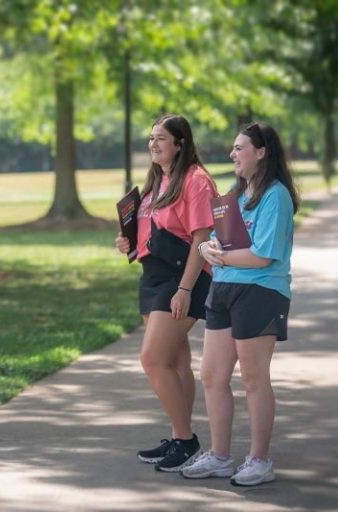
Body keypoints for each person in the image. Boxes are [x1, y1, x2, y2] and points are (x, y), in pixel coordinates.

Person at [182, 123, 299, 486]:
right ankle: (219, 456)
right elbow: (216, 243)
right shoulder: (234, 193)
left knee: (252, 378)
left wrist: (222, 257)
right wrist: (205, 250)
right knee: (213, 376)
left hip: (261, 292)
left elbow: (263, 256)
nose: (232, 154)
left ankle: (259, 460)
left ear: (261, 152)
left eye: (239, 148)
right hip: (224, 291)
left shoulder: (275, 196)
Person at [115, 114, 218, 472]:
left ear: (181, 143)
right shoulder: (158, 180)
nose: (153, 144)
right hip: (152, 275)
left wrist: (186, 289)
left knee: (152, 358)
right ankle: (180, 438)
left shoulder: (196, 181)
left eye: (161, 138)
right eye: (151, 138)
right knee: (174, 362)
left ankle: (186, 441)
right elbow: (149, 229)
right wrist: (128, 242)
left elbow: (201, 239)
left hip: (182, 277)